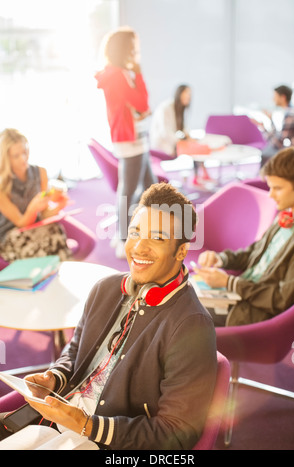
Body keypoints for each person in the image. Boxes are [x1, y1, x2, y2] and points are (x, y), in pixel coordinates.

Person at [0, 182, 217, 450]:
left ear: (181, 252)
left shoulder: (191, 326)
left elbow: (177, 432)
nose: (139, 247)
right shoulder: (106, 288)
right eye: (135, 232)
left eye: (157, 238)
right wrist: (55, 377)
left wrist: (86, 425)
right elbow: (76, 350)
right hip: (53, 421)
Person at [194, 146, 294, 327]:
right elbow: (254, 253)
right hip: (239, 294)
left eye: (278, 188)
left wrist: (230, 282)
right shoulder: (286, 217)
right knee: (174, 297)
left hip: (250, 311)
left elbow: (282, 299)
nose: (271, 195)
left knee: (181, 312)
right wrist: (221, 259)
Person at [94, 26, 157, 258]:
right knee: (129, 191)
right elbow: (142, 103)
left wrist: (139, 111)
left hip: (134, 138)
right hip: (131, 141)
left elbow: (130, 107)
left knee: (151, 187)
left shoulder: (114, 74)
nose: (135, 52)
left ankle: (154, 231)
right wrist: (138, 73)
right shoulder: (119, 75)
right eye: (132, 47)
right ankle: (123, 239)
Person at [0, 128, 71, 262]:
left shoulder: (40, 173)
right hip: (13, 234)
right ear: (6, 158)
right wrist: (33, 208)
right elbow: (21, 222)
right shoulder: (2, 185)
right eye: (16, 155)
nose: (23, 158)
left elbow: (43, 214)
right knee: (43, 245)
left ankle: (63, 275)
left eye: (25, 152)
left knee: (56, 231)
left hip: (35, 227)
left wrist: (59, 206)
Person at [252, 85, 294, 166]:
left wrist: (263, 129)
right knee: (267, 150)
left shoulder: (290, 114)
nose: (273, 99)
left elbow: (278, 143)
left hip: (293, 150)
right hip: (288, 147)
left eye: (275, 96)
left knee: (265, 154)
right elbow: (281, 135)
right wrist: (270, 120)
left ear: (283, 97)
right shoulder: (288, 111)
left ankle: (263, 178)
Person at [150, 84, 192, 157]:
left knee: (193, 147)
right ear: (179, 93)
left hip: (171, 142)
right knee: (190, 149)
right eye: (186, 93)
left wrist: (188, 136)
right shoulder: (166, 108)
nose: (189, 96)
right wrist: (180, 141)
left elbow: (182, 126)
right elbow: (165, 132)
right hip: (162, 143)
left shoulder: (180, 109)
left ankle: (200, 167)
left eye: (190, 94)